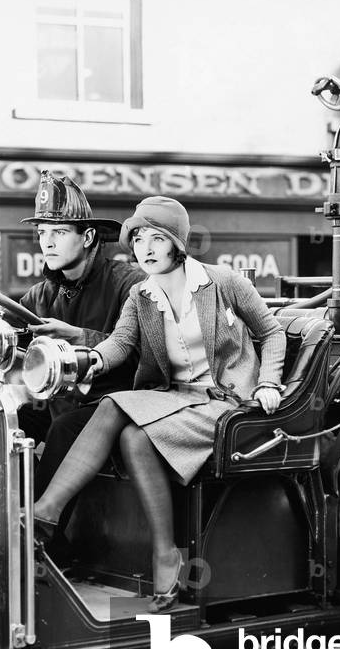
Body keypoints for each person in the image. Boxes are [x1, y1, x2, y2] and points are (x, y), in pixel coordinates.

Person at [33, 196, 285, 612]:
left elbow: (273, 333)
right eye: (137, 239)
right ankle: (157, 550)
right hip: (174, 398)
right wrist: (92, 360)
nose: (145, 249)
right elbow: (118, 345)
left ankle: (48, 514)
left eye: (156, 239)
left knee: (125, 420)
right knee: (126, 425)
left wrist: (268, 383)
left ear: (177, 244)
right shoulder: (140, 295)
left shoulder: (222, 282)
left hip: (225, 403)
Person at [15, 171, 144, 549]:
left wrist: (79, 338)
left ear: (87, 237)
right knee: (10, 421)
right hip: (62, 401)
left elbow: (142, 352)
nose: (47, 243)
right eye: (41, 233)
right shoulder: (40, 295)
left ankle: (40, 541)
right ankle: (3, 517)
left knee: (64, 428)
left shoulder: (128, 282)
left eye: (57, 232)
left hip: (121, 402)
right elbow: (10, 339)